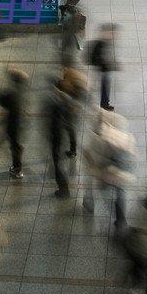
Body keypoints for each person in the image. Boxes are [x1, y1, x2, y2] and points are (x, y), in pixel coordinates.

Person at [83, 108, 135, 229]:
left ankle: (90, 203)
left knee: (105, 190)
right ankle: (120, 219)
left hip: (109, 170)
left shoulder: (101, 134)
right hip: (122, 168)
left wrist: (91, 159)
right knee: (119, 191)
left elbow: (98, 156)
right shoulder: (120, 124)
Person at [45, 70, 86, 198]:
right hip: (64, 127)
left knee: (57, 163)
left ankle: (64, 190)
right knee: (57, 160)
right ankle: (72, 151)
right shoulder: (66, 91)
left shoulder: (61, 98)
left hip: (59, 132)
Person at [0, 67, 29, 179]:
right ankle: (16, 167)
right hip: (20, 124)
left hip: (14, 126)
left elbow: (0, 99)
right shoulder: (21, 92)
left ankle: (17, 169)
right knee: (16, 146)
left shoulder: (13, 94)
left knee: (15, 147)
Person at [88, 23, 120, 111]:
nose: (114, 35)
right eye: (112, 33)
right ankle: (104, 104)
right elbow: (98, 57)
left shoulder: (105, 42)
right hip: (102, 70)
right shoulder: (100, 43)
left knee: (104, 87)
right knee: (104, 87)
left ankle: (105, 103)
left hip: (104, 69)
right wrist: (106, 64)